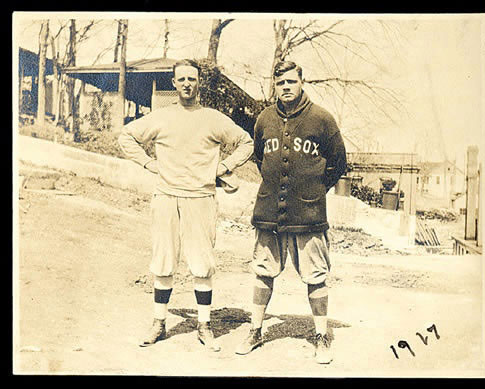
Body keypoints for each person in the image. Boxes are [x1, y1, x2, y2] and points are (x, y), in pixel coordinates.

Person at [118, 59, 253, 352]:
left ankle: (204, 325)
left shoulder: (213, 119)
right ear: (174, 83)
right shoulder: (161, 117)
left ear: (199, 82)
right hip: (166, 196)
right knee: (163, 261)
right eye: (181, 79)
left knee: (202, 263)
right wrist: (147, 163)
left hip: (201, 198)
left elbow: (246, 142)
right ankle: (159, 322)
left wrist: (224, 166)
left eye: (192, 79)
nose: (187, 84)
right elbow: (126, 135)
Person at [235, 61, 347, 364]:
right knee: (263, 271)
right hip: (269, 210)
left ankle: (322, 336)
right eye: (280, 82)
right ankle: (255, 330)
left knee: (315, 276)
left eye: (291, 82)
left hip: (308, 214)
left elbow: (339, 163)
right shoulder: (264, 119)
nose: (286, 87)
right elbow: (260, 158)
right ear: (275, 84)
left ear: (302, 81)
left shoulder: (322, 119)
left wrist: (313, 191)